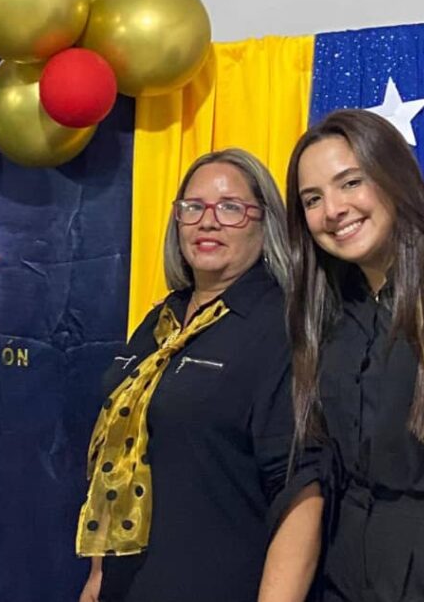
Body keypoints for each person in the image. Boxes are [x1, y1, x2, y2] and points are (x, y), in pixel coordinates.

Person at [76, 149, 323, 602]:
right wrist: (98, 575)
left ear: (264, 222)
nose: (208, 222)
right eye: (193, 207)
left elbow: (302, 492)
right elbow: (121, 454)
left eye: (230, 208)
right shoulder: (160, 321)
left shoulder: (280, 327)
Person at [286, 108, 424, 601]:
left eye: (350, 182)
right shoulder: (329, 312)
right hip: (349, 568)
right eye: (313, 199)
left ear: (392, 175)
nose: (333, 210)